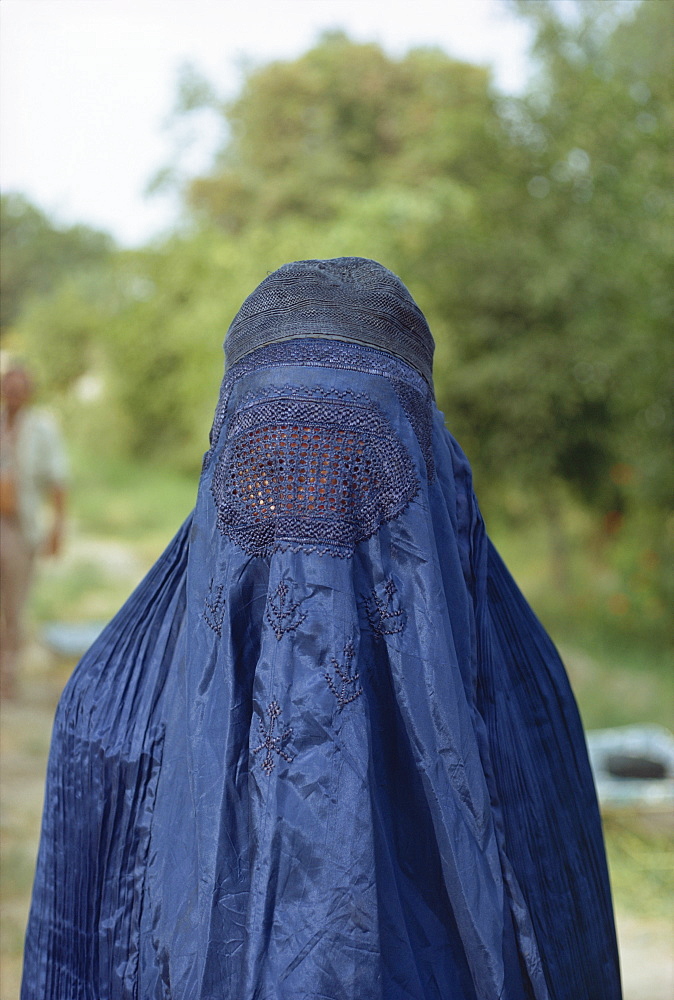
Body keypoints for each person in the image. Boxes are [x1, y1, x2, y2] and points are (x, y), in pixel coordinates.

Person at [22, 259, 621, 999]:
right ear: (218, 469)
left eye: (357, 468)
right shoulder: (108, 720)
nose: (313, 507)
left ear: (431, 465)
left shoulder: (527, 713)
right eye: (273, 465)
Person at [0, 364, 68, 700]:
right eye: (8, 386)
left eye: (19, 387)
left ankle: (7, 674)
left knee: (14, 605)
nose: (13, 393)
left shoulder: (41, 428)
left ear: (29, 392)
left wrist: (58, 526)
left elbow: (58, 479)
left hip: (17, 526)